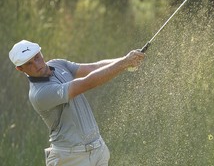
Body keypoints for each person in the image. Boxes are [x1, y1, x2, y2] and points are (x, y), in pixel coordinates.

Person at [9, 40, 145, 166]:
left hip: (98, 150)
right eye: (29, 63)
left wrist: (126, 60)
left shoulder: (57, 64)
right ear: (20, 69)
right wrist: (124, 63)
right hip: (70, 158)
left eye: (37, 57)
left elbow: (93, 67)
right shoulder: (39, 94)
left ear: (41, 53)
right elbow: (86, 83)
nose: (37, 64)